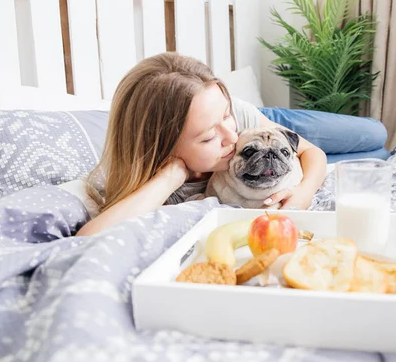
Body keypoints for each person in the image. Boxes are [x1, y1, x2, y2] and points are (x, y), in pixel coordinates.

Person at [77, 52, 328, 236]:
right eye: (208, 137)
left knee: (367, 133)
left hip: (270, 120)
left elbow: (310, 151)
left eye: (226, 116)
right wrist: (170, 177)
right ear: (164, 148)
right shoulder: (144, 177)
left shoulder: (237, 119)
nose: (231, 137)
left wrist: (304, 191)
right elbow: (90, 237)